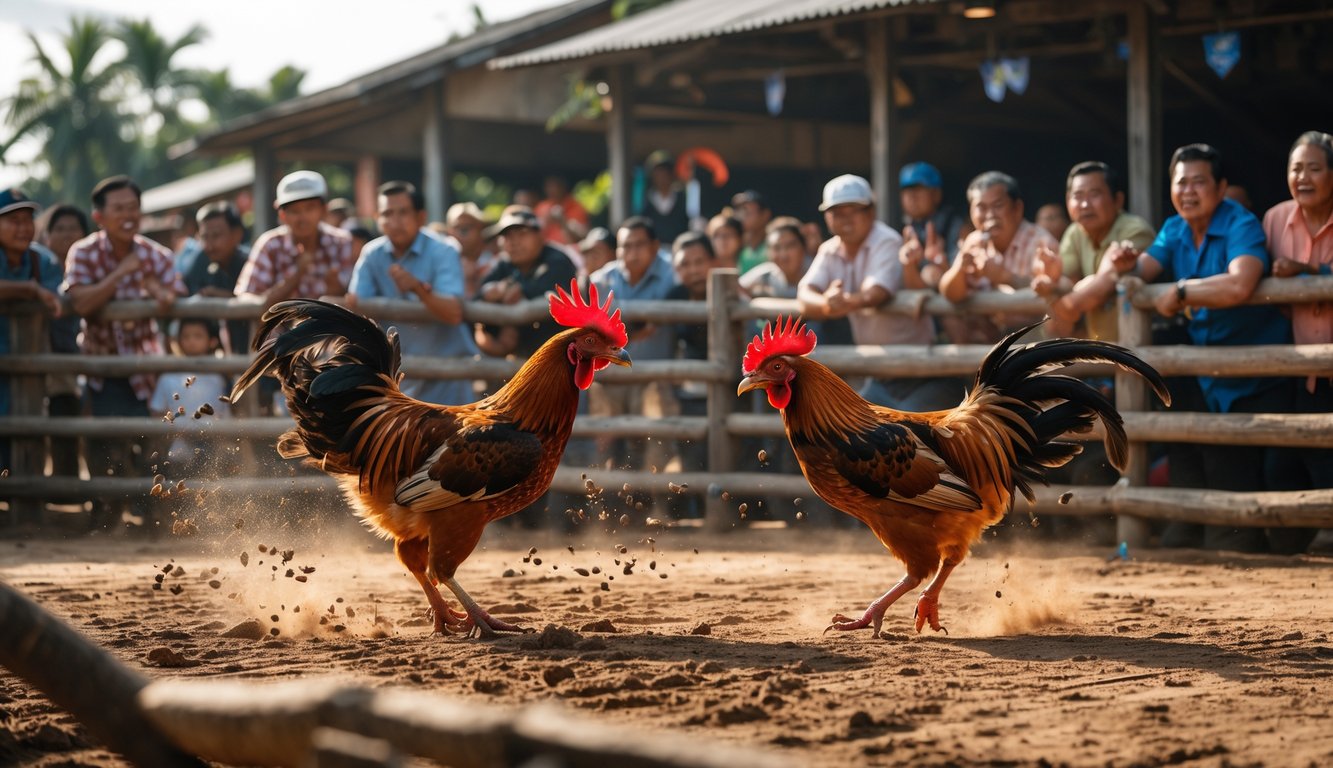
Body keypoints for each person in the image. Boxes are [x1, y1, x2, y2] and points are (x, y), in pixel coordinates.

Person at [1111, 143, 1294, 553]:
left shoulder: (1239, 223)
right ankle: (1234, 550)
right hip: (1212, 374)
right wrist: (1124, 262)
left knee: (1280, 467)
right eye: (1181, 182)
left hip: (1261, 371)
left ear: (1221, 186)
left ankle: (1275, 548)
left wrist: (1180, 291)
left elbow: (1241, 281)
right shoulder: (1175, 228)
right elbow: (1143, 270)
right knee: (1222, 462)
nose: (1189, 191)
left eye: (1199, 182)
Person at [66, 175, 185, 532]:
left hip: (146, 368)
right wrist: (122, 274)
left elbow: (175, 297)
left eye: (133, 207)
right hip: (103, 369)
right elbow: (81, 302)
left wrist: (158, 293)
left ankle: (154, 517)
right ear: (99, 215)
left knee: (152, 444)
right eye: (119, 209)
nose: (128, 215)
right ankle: (107, 516)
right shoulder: (84, 252)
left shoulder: (157, 254)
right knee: (104, 445)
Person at [798, 174, 955, 411]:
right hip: (878, 372)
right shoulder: (829, 249)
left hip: (918, 369)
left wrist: (839, 303)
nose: (845, 219)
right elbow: (804, 295)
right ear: (827, 218)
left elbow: (876, 292)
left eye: (854, 211)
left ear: (870, 212)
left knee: (908, 437)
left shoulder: (886, 241)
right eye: (838, 212)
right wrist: (826, 304)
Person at [346, 181, 478, 406]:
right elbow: (356, 304)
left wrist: (417, 288)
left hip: (446, 376)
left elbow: (453, 313)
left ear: (420, 217)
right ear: (377, 217)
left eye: (403, 213)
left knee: (454, 440)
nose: (394, 221)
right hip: (395, 378)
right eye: (387, 213)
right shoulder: (372, 253)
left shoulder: (444, 250)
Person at [1263, 131, 1333, 549]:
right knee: (1290, 457)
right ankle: (1301, 540)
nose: (1302, 177)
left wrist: (1307, 271)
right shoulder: (1273, 220)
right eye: (1295, 168)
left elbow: (1296, 272)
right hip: (1297, 368)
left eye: (1314, 168)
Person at [589, 217, 680, 483]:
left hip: (655, 377)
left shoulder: (673, 275)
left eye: (639, 245)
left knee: (657, 445)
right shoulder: (601, 280)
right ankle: (606, 507)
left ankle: (661, 507)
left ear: (654, 246)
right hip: (610, 380)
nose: (631, 253)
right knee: (605, 444)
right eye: (624, 246)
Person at [1032, 161, 1157, 341]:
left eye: (1094, 194)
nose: (1084, 204)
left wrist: (1062, 300)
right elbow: (1066, 279)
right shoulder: (1075, 231)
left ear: (1118, 200)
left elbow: (1100, 290)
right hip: (1099, 346)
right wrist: (1052, 279)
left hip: (1139, 347)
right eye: (1077, 196)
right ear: (1068, 201)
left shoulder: (1135, 231)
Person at [938, 171, 1059, 343]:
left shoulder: (1041, 243)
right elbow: (949, 294)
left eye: (998, 205)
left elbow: (1053, 301)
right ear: (971, 211)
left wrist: (1004, 277)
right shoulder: (974, 241)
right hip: (989, 340)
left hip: (1032, 340)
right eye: (981, 207)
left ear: (1017, 209)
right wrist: (959, 269)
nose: (989, 215)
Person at [0, 188, 64, 482]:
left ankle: (26, 509)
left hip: (28, 366)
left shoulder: (43, 261)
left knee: (26, 433)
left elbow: (55, 299)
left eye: (28, 219)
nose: (23, 227)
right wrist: (28, 289)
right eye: (13, 220)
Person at [237, 170, 355, 309]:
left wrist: (337, 289)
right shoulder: (269, 245)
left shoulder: (341, 242)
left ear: (324, 210)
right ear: (282, 215)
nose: (303, 217)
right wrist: (296, 274)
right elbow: (246, 297)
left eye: (310, 208)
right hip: (280, 331)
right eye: (294, 210)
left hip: (331, 330)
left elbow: (355, 296)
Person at [475, 205, 578, 359]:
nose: (514, 242)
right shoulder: (503, 264)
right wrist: (489, 292)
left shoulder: (558, 260)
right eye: (508, 236)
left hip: (557, 358)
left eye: (522, 234)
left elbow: (549, 293)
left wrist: (518, 292)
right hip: (515, 360)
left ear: (540, 235)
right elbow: (478, 296)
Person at [34, 203, 89, 484]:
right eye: (59, 229)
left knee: (67, 412)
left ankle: (65, 482)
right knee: (33, 415)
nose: (67, 235)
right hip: (38, 350)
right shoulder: (41, 264)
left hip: (76, 351)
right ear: (47, 235)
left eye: (73, 229)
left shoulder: (91, 265)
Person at [665, 232, 715, 517]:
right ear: (677, 269)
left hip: (729, 388)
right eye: (686, 264)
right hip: (688, 389)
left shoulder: (730, 291)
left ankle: (727, 514)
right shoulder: (675, 297)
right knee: (691, 457)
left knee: (728, 455)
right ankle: (696, 515)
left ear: (713, 261)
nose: (694, 270)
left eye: (700, 262)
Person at [148, 318, 232, 476]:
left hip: (211, 442)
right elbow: (157, 412)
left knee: (211, 478)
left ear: (212, 341)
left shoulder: (217, 378)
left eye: (198, 336)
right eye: (186, 337)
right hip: (177, 445)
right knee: (177, 480)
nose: (191, 341)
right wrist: (173, 432)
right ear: (178, 340)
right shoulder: (168, 377)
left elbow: (224, 415)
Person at [177, 201, 250, 354]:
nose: (209, 244)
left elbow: (260, 300)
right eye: (204, 237)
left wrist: (220, 296)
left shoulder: (250, 264)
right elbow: (186, 289)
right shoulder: (205, 263)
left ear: (236, 234)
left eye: (216, 236)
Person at [898, 161, 966, 271]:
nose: (912, 197)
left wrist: (939, 261)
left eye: (918, 189)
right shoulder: (904, 227)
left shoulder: (956, 225)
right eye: (907, 190)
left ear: (936, 194)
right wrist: (909, 263)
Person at [740, 217, 811, 300]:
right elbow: (735, 288)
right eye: (776, 248)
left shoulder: (818, 270)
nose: (783, 255)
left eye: (790, 246)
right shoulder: (765, 275)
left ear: (803, 247)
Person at [443, 201, 496, 298]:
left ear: (481, 229)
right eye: (456, 227)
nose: (461, 234)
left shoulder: (495, 264)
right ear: (449, 231)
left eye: (466, 228)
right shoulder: (440, 264)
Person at [639, 153, 690, 247]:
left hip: (678, 248)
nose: (662, 177)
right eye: (658, 173)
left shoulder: (682, 198)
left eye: (665, 173)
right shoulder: (646, 200)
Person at [535, 175, 589, 246]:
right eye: (549, 186)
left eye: (556, 186)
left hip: (571, 250)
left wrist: (564, 221)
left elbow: (583, 235)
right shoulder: (541, 207)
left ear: (563, 187)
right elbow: (535, 233)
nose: (553, 190)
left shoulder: (576, 206)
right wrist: (546, 221)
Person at [733, 190, 773, 274]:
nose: (742, 215)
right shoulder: (738, 246)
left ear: (765, 214)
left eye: (748, 212)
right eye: (741, 211)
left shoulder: (775, 245)